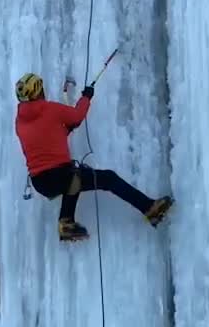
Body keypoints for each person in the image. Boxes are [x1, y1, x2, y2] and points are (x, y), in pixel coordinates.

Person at [15, 72, 173, 242]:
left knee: (76, 177)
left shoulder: (20, 122)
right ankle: (150, 209)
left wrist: (63, 131)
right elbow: (76, 117)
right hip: (60, 174)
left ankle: (67, 221)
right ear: (38, 92)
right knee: (106, 179)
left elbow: (44, 138)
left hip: (41, 182)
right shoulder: (49, 109)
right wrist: (86, 97)